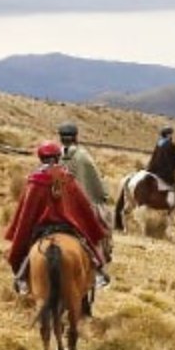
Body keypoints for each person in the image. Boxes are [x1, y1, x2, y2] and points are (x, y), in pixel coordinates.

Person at [5, 141, 111, 295]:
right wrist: (91, 226)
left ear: (41, 158)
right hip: (69, 226)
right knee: (89, 248)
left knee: (25, 252)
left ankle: (22, 279)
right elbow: (83, 206)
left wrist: (20, 232)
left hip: (41, 228)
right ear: (58, 157)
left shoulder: (34, 181)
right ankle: (98, 273)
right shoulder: (69, 179)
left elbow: (26, 213)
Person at [58, 122, 113, 288]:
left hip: (58, 207)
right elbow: (95, 183)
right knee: (103, 229)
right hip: (81, 207)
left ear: (61, 138)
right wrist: (103, 194)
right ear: (76, 137)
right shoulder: (83, 156)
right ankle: (99, 268)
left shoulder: (55, 155)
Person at [146, 125, 175, 208]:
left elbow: (154, 157)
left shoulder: (158, 144)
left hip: (154, 169)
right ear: (168, 135)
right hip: (165, 172)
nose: (171, 135)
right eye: (170, 134)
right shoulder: (171, 144)